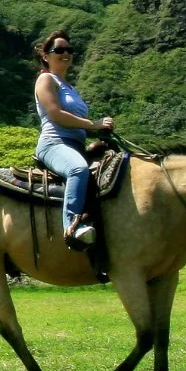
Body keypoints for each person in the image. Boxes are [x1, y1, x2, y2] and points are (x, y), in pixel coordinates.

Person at [33, 32, 113, 248]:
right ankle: (72, 227)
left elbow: (80, 122)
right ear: (46, 56)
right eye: (59, 50)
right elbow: (56, 114)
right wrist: (93, 124)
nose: (66, 53)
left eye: (69, 50)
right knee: (78, 169)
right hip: (54, 143)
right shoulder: (46, 79)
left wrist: (101, 128)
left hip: (76, 145)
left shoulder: (70, 87)